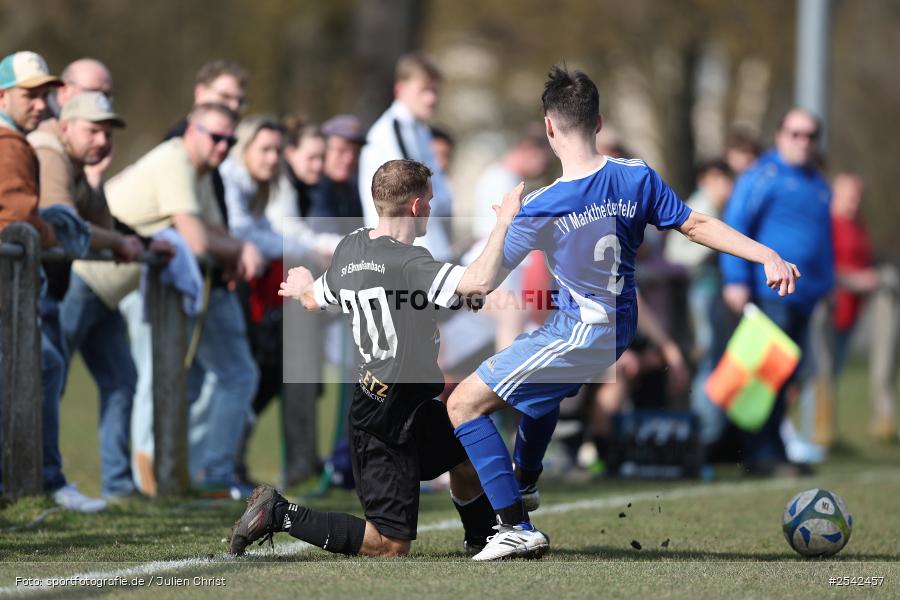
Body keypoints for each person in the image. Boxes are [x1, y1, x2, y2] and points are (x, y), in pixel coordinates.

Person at [444, 66, 800, 560]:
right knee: (540, 391)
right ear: (598, 121)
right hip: (618, 332)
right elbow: (695, 225)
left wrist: (503, 222)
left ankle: (515, 525)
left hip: (580, 334)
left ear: (549, 129)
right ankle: (524, 480)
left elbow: (480, 282)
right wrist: (765, 255)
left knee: (462, 404)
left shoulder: (541, 205)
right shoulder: (636, 176)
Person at [230, 159, 520, 558]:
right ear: (417, 207)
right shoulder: (409, 262)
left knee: (467, 452)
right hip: (382, 422)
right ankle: (279, 513)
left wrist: (301, 288)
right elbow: (479, 283)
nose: (432, 210)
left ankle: (484, 539)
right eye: (430, 202)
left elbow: (317, 298)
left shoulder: (351, 248)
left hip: (406, 406)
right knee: (389, 545)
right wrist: (504, 221)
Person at [104, 102, 263, 496]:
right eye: (216, 137)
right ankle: (150, 480)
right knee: (141, 380)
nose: (224, 146)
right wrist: (240, 250)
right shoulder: (175, 161)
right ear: (191, 130)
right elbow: (196, 240)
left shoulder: (202, 170)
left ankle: (159, 481)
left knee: (138, 381)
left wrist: (236, 247)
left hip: (129, 285)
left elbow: (211, 231)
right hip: (97, 282)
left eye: (230, 140)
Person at [28, 92, 150, 499]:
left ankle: (114, 484)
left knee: (115, 377)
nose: (103, 140)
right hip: (33, 289)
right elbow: (64, 224)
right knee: (45, 373)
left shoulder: (78, 165)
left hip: (52, 286)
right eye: (94, 130)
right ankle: (40, 482)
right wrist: (118, 240)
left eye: (108, 132)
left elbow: (97, 223)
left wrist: (120, 234)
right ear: (65, 127)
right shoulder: (49, 153)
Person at [0, 50, 107, 512]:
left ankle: (30, 481)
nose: (41, 104)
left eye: (45, 94)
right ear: (3, 94)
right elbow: (16, 213)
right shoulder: (9, 144)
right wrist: (56, 232)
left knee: (44, 364)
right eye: (30, 94)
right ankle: (34, 480)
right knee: (42, 364)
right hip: (9, 290)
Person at [720, 108, 833, 474]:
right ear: (781, 135)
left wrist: (826, 285)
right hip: (771, 293)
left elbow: (822, 240)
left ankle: (774, 447)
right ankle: (757, 453)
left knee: (788, 377)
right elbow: (736, 225)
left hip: (805, 298)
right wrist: (735, 279)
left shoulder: (817, 182)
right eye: (795, 133)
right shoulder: (762, 176)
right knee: (764, 376)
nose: (803, 141)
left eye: (810, 135)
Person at [664, 159, 735, 447]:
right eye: (721, 179)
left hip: (709, 293)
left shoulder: (716, 206)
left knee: (713, 359)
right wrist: (705, 252)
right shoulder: (701, 206)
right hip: (700, 293)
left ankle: (711, 431)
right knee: (707, 359)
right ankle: (703, 433)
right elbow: (674, 253)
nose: (727, 187)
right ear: (705, 179)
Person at [358, 52, 453, 261]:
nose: (431, 99)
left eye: (435, 91)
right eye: (424, 90)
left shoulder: (420, 130)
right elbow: (406, 197)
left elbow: (441, 193)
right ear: (400, 89)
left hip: (429, 248)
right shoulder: (390, 132)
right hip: (403, 254)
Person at [829, 172, 898, 440]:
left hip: (854, 309)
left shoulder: (858, 224)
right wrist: (860, 280)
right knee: (816, 372)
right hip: (831, 307)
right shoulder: (828, 223)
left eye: (858, 196)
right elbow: (826, 267)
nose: (854, 201)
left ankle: (882, 420)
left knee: (836, 368)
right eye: (849, 195)